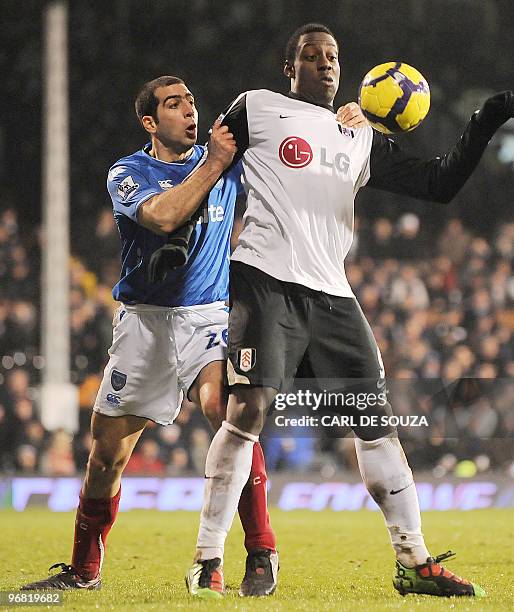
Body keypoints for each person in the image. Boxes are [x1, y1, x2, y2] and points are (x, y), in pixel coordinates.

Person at [187, 23, 513, 598]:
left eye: (333, 57)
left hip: (333, 296)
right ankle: (208, 559)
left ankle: (413, 562)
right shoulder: (256, 108)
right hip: (265, 281)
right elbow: (207, 172)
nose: (326, 64)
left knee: (377, 425)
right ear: (290, 67)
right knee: (246, 417)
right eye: (311, 57)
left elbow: (439, 183)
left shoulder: (356, 134)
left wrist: (488, 116)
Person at [22, 75, 281, 596]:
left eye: (190, 100)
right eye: (173, 103)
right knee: (105, 456)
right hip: (143, 323)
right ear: (150, 121)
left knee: (227, 413)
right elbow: (162, 217)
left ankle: (260, 552)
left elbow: (289, 140)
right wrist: (213, 163)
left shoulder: (231, 161)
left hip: (208, 315)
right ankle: (84, 570)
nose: (189, 109)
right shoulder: (129, 172)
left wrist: (344, 122)